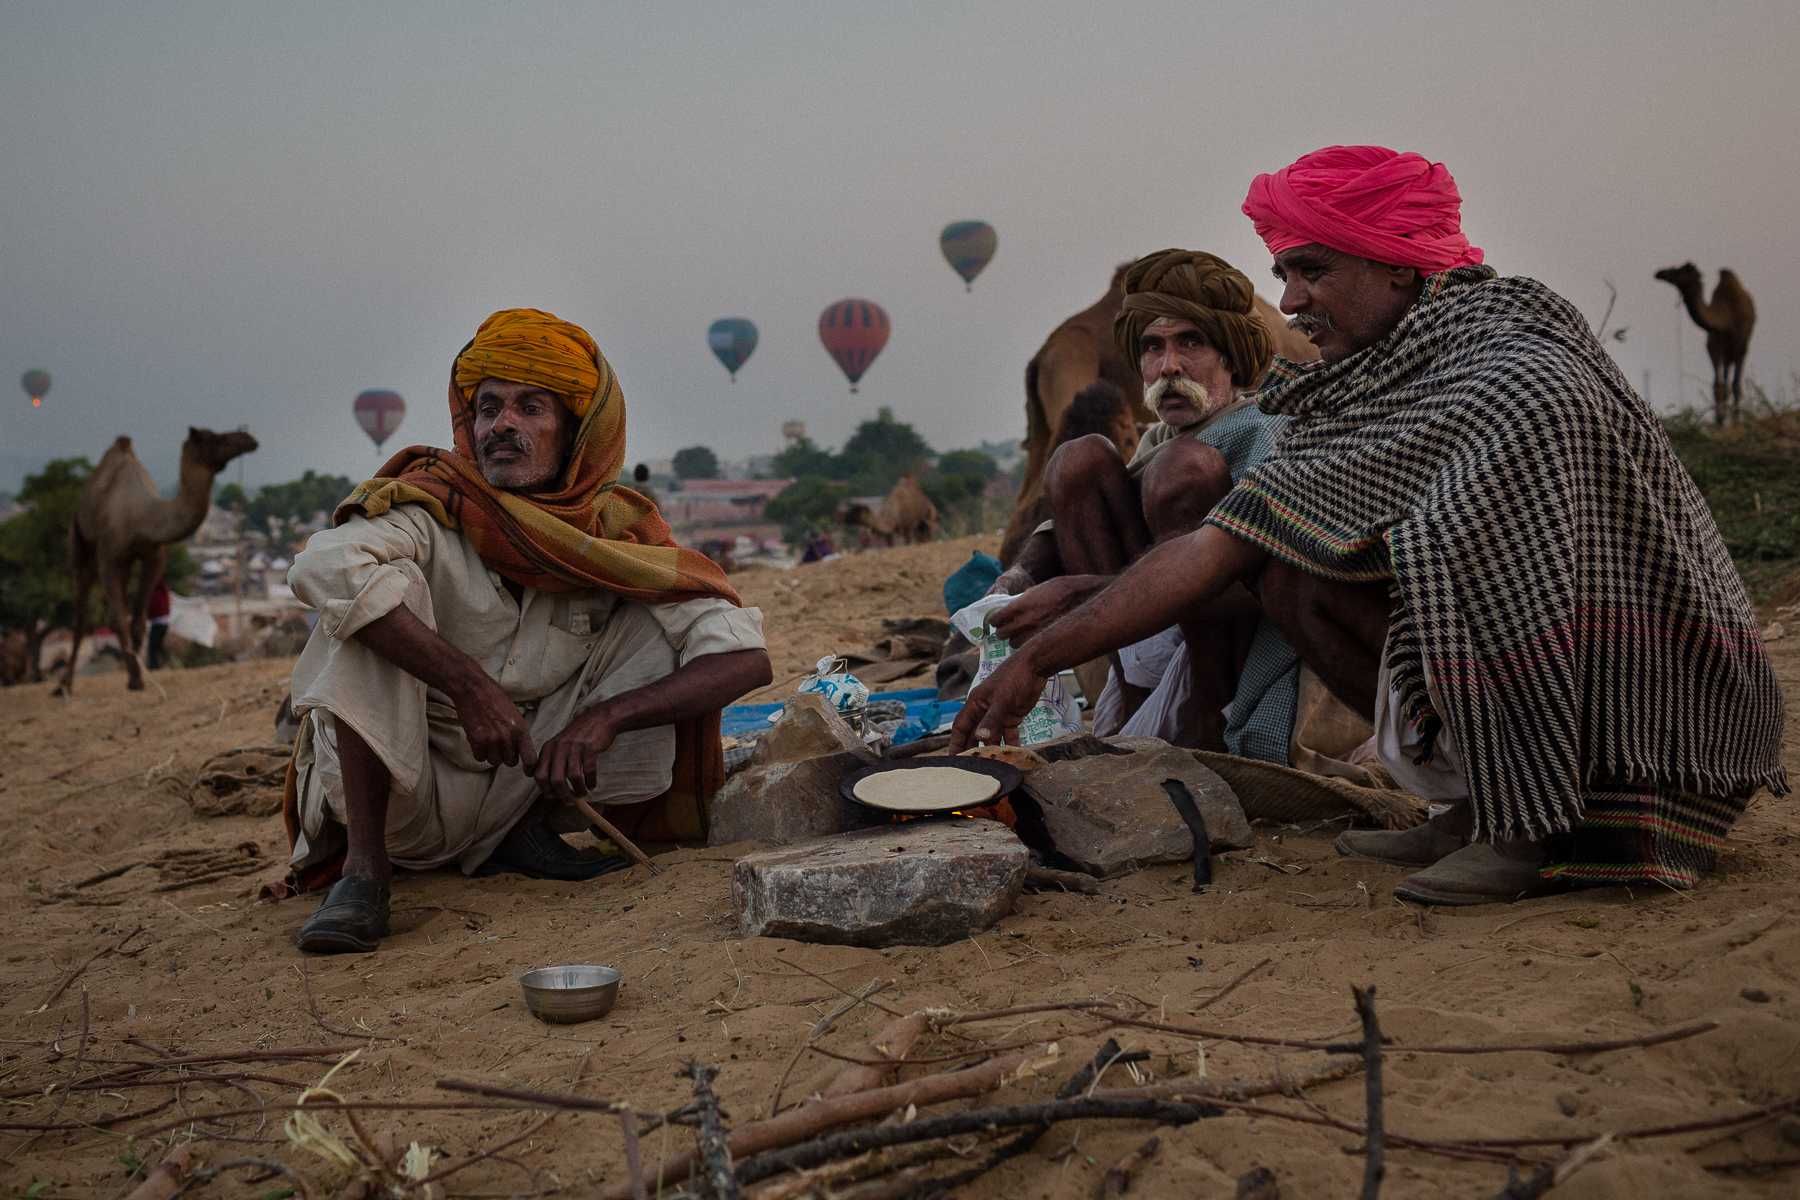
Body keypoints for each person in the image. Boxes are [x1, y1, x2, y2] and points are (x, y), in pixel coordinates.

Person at [951, 146, 1785, 905]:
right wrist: (1039, 628)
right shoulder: (1403, 366)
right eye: (1284, 273)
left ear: (1397, 266)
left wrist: (1039, 656)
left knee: (1448, 565)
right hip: (1577, 686)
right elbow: (1244, 536)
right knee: (1293, 564)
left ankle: (1527, 828)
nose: (1291, 300)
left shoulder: (1508, 370)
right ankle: (1472, 806)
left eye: (1312, 270)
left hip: (1662, 711)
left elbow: (1222, 548)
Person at [286, 309, 772, 952]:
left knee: (660, 615)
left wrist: (606, 719)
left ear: (577, 433)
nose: (502, 426)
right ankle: (365, 874)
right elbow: (322, 563)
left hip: (520, 793)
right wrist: (465, 683)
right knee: (364, 607)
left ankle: (525, 838)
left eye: (530, 408)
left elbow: (745, 658)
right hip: (407, 802)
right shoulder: (430, 508)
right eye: (488, 408)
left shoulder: (614, 537)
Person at [987, 250, 1301, 757]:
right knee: (1077, 457)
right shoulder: (1160, 438)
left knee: (1185, 467)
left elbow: (1265, 579)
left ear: (1232, 357)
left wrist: (1082, 594)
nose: (1168, 366)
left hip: (1246, 637)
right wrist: (1018, 576)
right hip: (1150, 622)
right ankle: (1136, 698)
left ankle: (1210, 718)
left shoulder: (1264, 430)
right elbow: (1088, 515)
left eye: (1191, 343)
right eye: (1152, 348)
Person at [144, 577, 171, 669]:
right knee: (159, 647)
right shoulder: (165, 591)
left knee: (153, 648)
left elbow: (152, 609)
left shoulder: (155, 593)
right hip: (165, 623)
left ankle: (155, 667)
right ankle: (163, 666)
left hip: (157, 623)